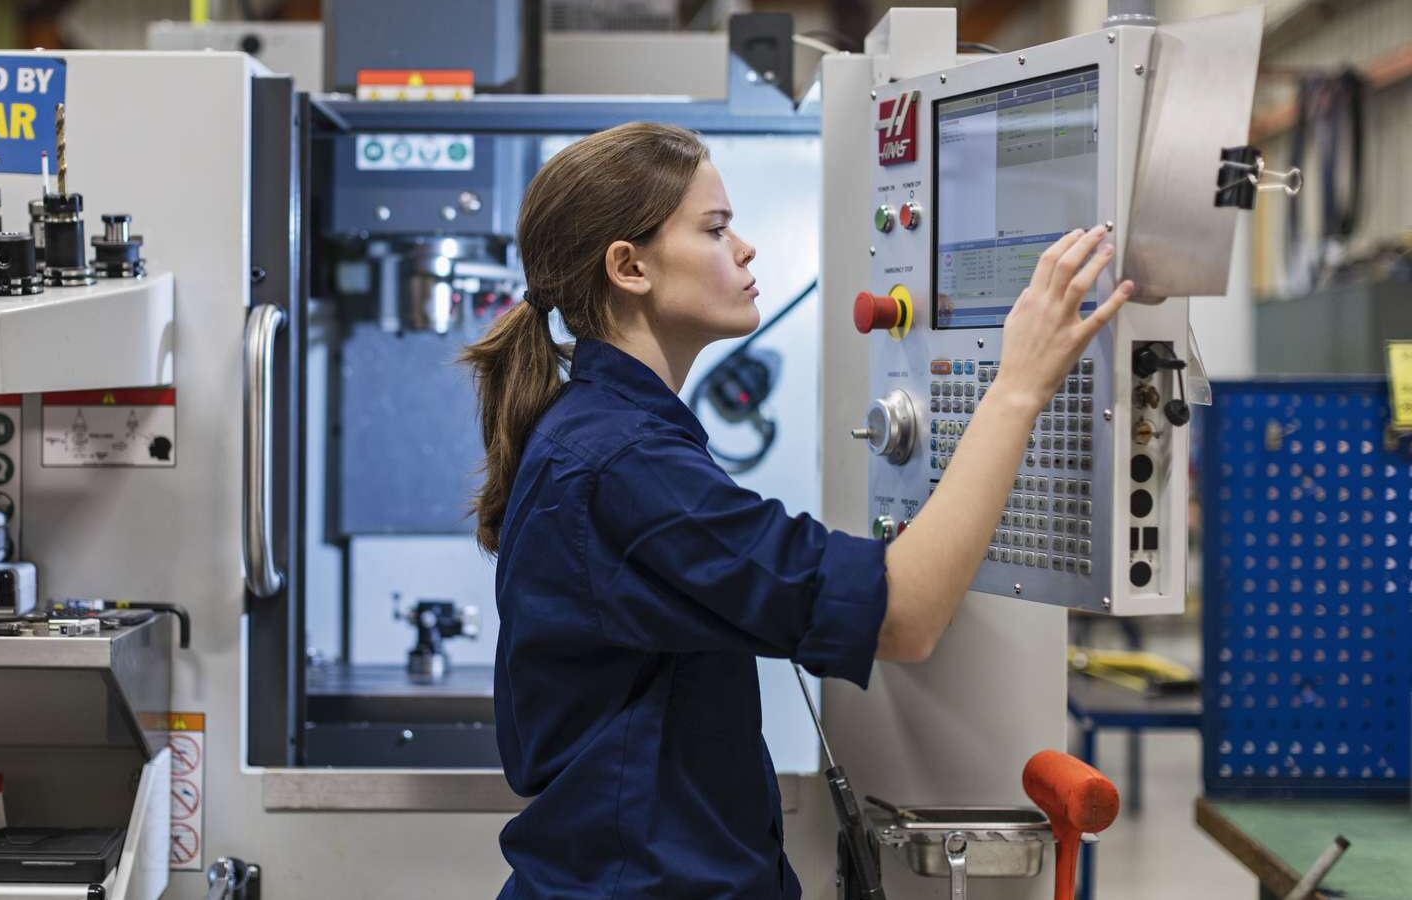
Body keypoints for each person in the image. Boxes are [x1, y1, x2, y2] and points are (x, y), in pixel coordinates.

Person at [461, 122, 1132, 899]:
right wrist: (1018, 384)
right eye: (715, 229)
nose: (744, 249)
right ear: (629, 266)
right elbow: (905, 615)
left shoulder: (604, 437)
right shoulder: (625, 464)